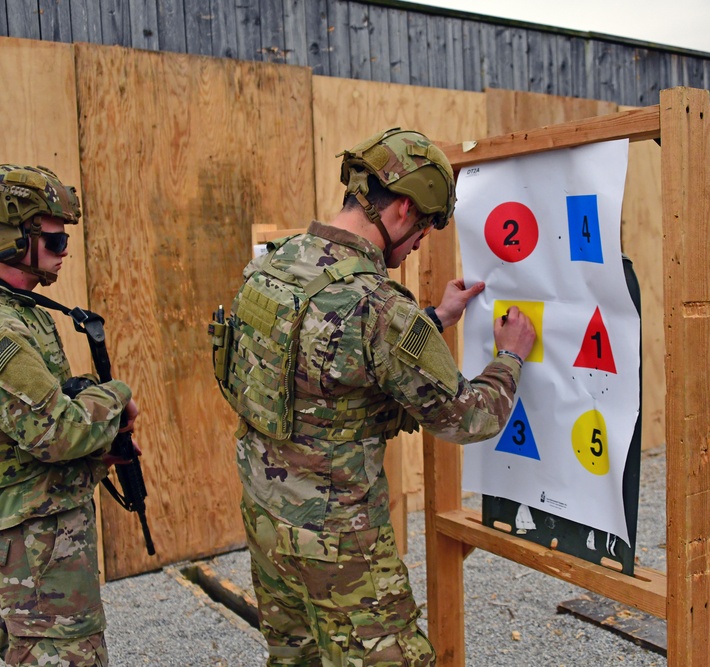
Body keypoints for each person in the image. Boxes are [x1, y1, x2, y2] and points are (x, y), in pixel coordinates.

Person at [214, 128, 536, 665]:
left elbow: (325, 360)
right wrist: (510, 356)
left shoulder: (276, 263)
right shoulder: (382, 308)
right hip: (340, 544)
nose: (417, 248)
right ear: (404, 210)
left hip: (269, 521)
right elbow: (468, 419)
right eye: (425, 231)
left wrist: (433, 321)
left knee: (296, 659)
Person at [0, 164, 139, 667]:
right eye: (56, 242)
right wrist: (117, 395)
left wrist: (99, 444)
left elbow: (29, 418)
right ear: (13, 240)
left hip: (40, 538)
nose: (65, 253)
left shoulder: (21, 312)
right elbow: (56, 431)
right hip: (31, 550)